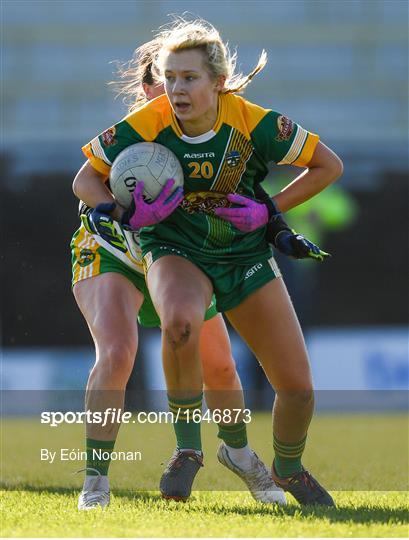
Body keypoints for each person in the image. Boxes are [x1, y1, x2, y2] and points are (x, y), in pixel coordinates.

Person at [76, 19, 341, 507]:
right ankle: (186, 450)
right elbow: (83, 179)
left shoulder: (254, 124)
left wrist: (270, 212)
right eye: (170, 76)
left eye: (189, 78)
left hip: (244, 256)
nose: (176, 88)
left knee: (297, 390)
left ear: (218, 81)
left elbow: (329, 165)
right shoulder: (149, 123)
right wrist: (119, 212)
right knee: (178, 324)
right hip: (175, 249)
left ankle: (287, 469)